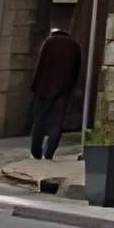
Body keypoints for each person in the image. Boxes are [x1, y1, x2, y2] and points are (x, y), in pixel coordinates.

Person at [29, 18, 82, 160]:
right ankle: (49, 152)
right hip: (63, 90)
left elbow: (40, 66)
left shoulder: (49, 42)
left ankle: (36, 151)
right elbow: (77, 70)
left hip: (44, 88)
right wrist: (71, 88)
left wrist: (34, 86)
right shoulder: (75, 46)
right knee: (57, 122)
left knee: (40, 120)